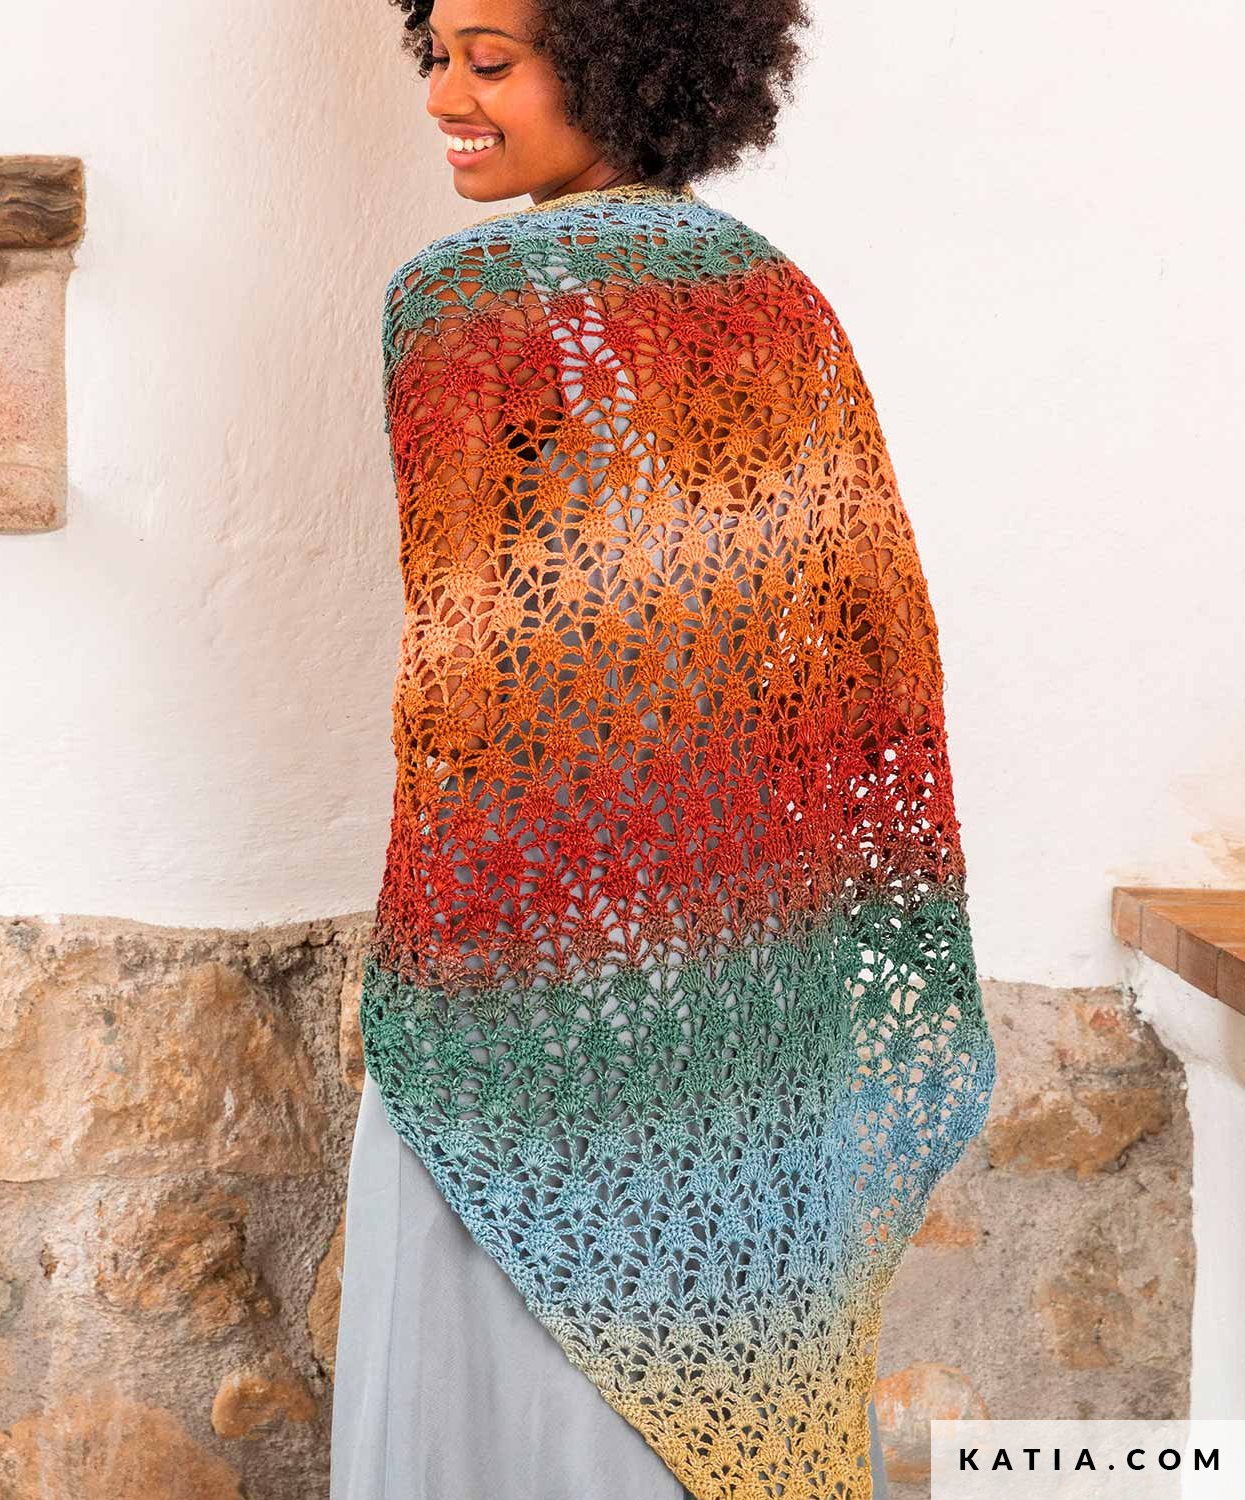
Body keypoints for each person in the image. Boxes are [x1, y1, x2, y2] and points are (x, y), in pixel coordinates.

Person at [330, 3, 996, 1497]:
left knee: (490, 1383)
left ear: (622, 63)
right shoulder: (776, 298)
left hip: (525, 976)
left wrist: (449, 955)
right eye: (436, 54)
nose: (445, 96)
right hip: (748, 974)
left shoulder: (460, 300)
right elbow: (857, 673)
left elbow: (470, 676)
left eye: (491, 61)